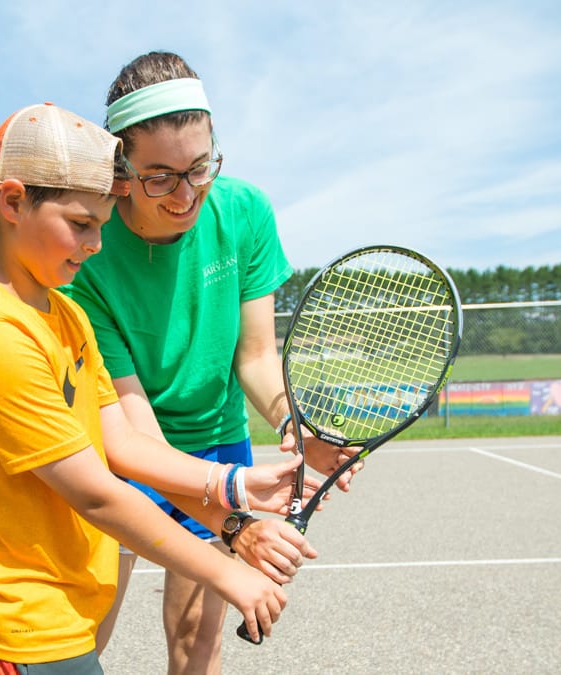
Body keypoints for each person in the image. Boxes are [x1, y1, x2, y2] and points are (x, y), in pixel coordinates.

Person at [0, 102, 315, 674]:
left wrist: (235, 494)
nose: (96, 244)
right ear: (11, 202)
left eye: (102, 226)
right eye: (81, 224)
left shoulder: (65, 314)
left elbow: (125, 448)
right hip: (19, 621)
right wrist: (229, 569)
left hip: (65, 606)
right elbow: (96, 493)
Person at [63, 52, 363, 673]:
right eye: (160, 177)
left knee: (199, 637)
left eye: (200, 168)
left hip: (220, 441)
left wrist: (292, 423)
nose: (187, 193)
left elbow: (255, 355)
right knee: (85, 634)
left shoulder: (244, 211)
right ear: (121, 171)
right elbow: (133, 427)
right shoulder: (86, 249)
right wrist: (231, 512)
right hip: (126, 445)